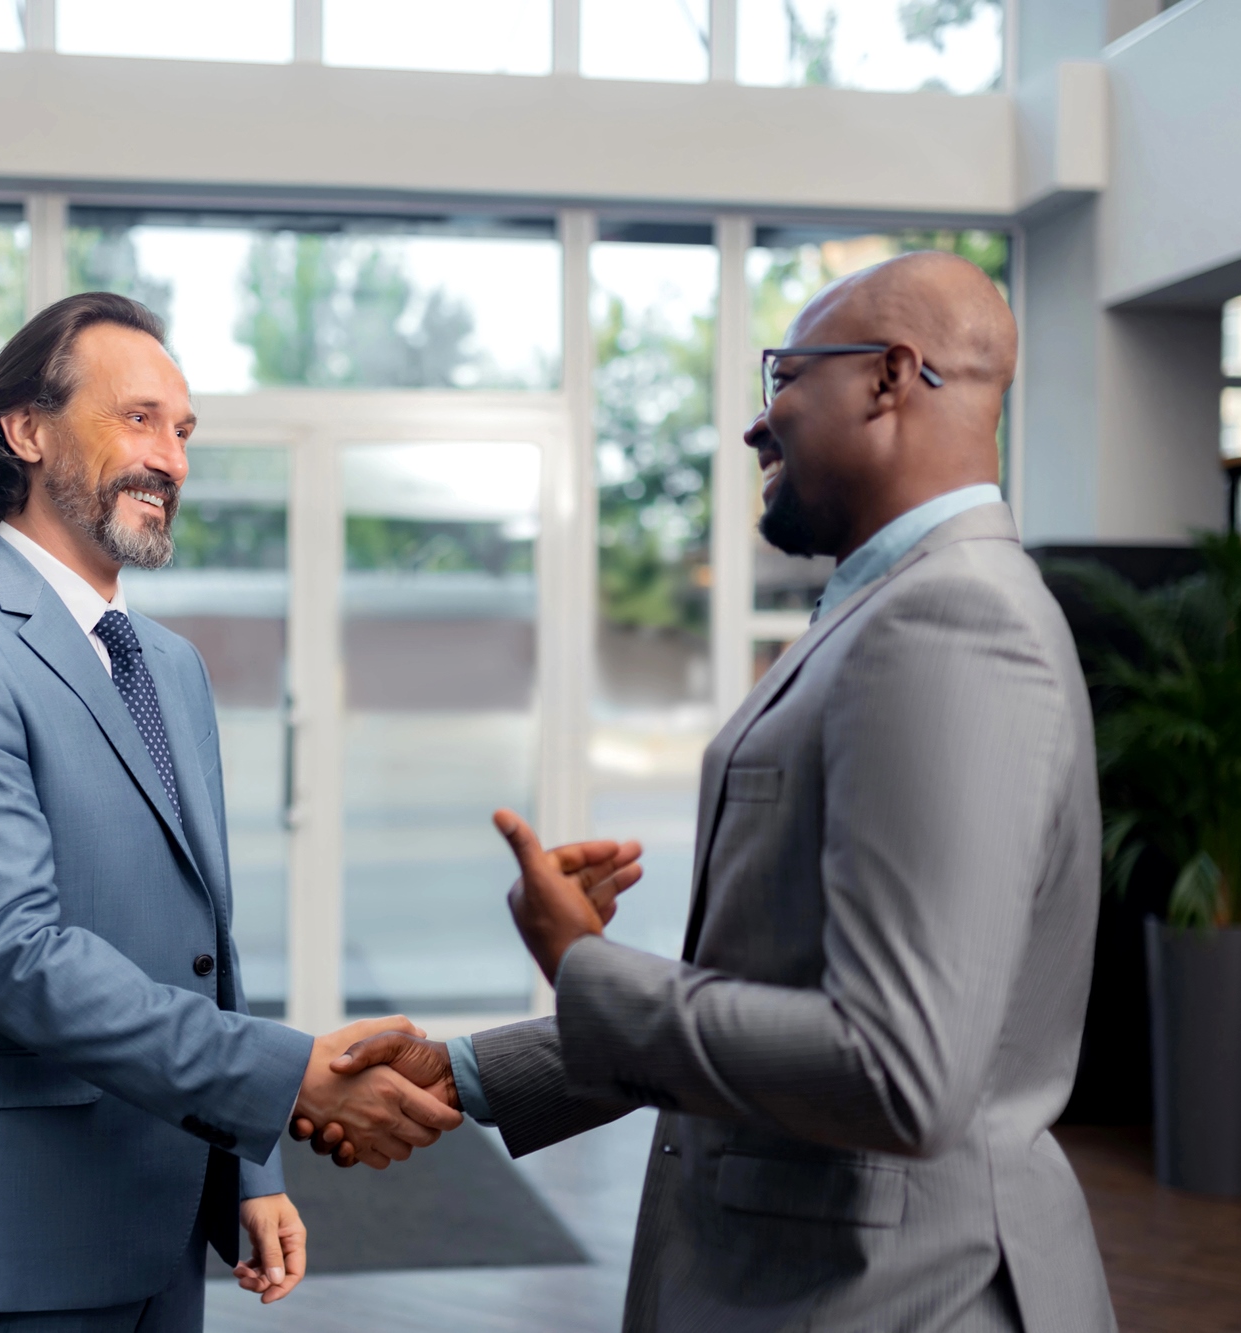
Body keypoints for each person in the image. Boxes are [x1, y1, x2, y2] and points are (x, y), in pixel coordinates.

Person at [302, 253, 1117, 1332]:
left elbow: (896, 1069)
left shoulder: (948, 624)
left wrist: (582, 966)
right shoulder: (881, 613)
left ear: (886, 377)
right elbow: (775, 994)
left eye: (784, 374)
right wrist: (465, 1075)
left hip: (894, 1297)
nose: (756, 423)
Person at [0, 292, 465, 1332]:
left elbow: (198, 946)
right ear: (26, 431)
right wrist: (290, 1075)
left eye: (182, 432)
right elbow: (16, 953)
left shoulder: (170, 668)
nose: (172, 460)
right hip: (14, 1235)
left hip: (165, 1216)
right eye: (138, 418)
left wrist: (249, 1164)